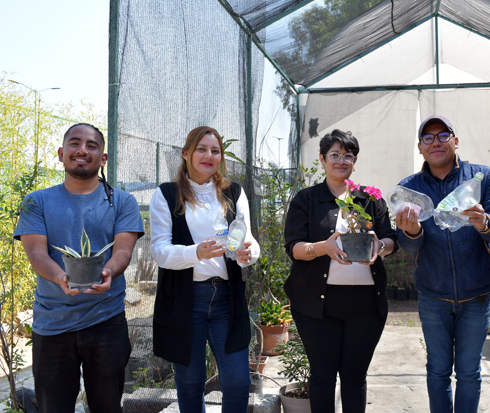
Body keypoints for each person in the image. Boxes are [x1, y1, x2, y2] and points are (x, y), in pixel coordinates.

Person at [14, 123, 144, 413]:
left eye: (91, 146)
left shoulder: (123, 202)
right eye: (74, 144)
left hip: (106, 320)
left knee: (107, 407)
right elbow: (36, 253)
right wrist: (60, 276)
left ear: (103, 158)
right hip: (52, 323)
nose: (82, 150)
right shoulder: (37, 201)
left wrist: (109, 272)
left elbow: (123, 251)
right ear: (61, 153)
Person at [395, 115, 490, 412]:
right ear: (420, 147)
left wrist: (483, 221)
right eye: (428, 138)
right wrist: (412, 231)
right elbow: (407, 245)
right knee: (438, 370)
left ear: (456, 141)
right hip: (433, 294)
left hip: (476, 293)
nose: (436, 142)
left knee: (469, 371)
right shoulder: (410, 189)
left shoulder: (483, 178)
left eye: (443, 135)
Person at [284, 129, 397, 413]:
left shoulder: (369, 199)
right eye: (334, 155)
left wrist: (379, 246)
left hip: (366, 305)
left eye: (348, 155)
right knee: (322, 376)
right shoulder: (306, 199)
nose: (341, 160)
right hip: (317, 305)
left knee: (355, 376)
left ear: (355, 162)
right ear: (322, 159)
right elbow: (294, 247)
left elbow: (391, 240)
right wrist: (323, 247)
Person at [150, 126, 260, 412]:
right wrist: (195, 253)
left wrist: (248, 254)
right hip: (185, 299)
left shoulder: (233, 192)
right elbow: (159, 251)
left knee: (238, 382)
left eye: (215, 150)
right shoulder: (167, 194)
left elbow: (248, 241)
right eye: (201, 149)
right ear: (186, 154)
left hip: (226, 298)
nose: (209, 155)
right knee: (189, 382)